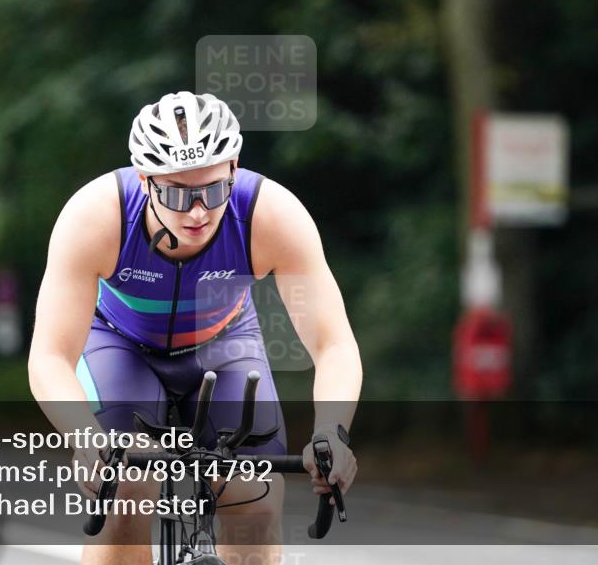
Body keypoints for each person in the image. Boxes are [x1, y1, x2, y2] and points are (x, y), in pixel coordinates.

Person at [29, 92, 362, 565]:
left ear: (234, 168)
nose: (198, 213)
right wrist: (85, 436)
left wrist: (332, 430)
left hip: (223, 347)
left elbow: (333, 343)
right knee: (128, 485)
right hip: (121, 347)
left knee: (257, 500)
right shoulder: (94, 217)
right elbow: (49, 356)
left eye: (213, 190)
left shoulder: (272, 215)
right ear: (145, 180)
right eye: (177, 194)